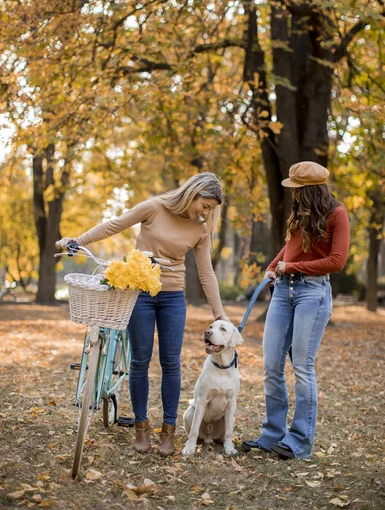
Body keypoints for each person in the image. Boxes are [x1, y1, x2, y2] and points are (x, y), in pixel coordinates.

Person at [56, 172, 230, 456]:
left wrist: (220, 314)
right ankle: (141, 426)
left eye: (210, 209)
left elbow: (206, 272)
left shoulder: (201, 228)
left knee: (171, 363)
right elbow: (113, 225)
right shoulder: (154, 207)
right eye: (205, 205)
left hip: (173, 298)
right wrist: (77, 240)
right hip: (141, 295)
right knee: (140, 360)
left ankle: (169, 430)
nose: (206, 212)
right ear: (192, 192)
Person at [242, 161, 350, 459]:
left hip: (312, 294)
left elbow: (337, 261)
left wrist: (292, 266)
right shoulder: (299, 213)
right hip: (282, 293)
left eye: (297, 189)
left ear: (310, 190)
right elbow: (289, 248)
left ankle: (300, 440)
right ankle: (272, 434)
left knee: (302, 367)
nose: (294, 195)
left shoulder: (337, 214)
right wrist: (273, 266)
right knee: (270, 366)